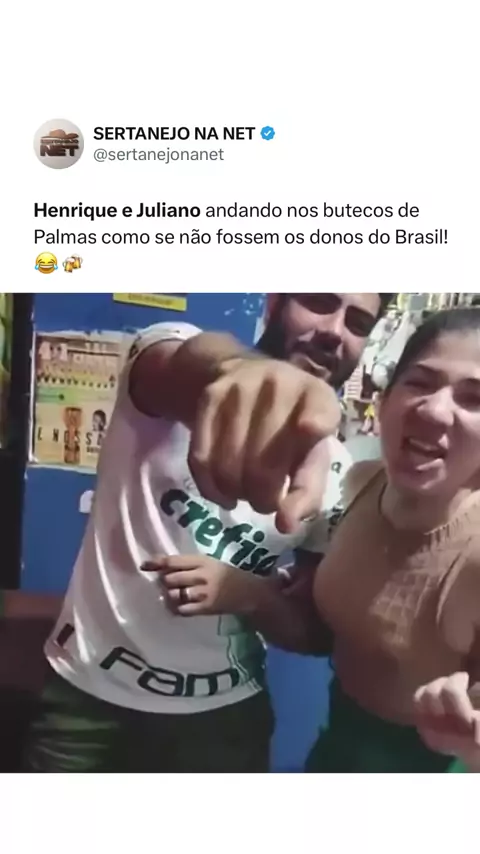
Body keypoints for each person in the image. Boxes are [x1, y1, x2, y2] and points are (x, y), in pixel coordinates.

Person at [23, 292, 392, 773]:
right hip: (86, 699)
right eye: (320, 301)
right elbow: (184, 365)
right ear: (275, 302)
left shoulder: (338, 474)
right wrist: (242, 372)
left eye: (358, 322)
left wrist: (250, 594)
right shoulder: (171, 353)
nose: (334, 331)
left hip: (222, 722)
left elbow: (314, 634)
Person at [155, 307, 480, 772]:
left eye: (473, 398)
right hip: (335, 743)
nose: (433, 409)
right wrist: (265, 592)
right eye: (420, 383)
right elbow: (334, 629)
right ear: (386, 398)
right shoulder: (362, 481)